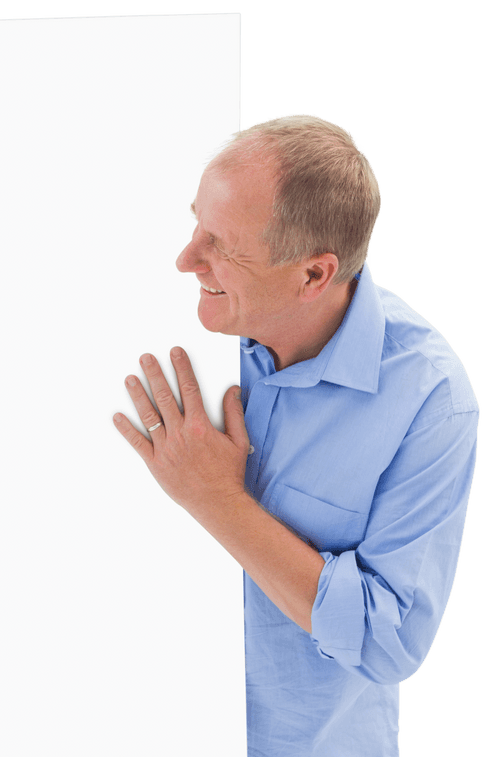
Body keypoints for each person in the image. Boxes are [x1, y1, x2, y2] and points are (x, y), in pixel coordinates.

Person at [112, 114, 479, 756]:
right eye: (196, 221)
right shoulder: (172, 333)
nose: (186, 259)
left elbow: (387, 640)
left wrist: (217, 499)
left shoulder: (430, 400)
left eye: (222, 246)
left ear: (313, 276)